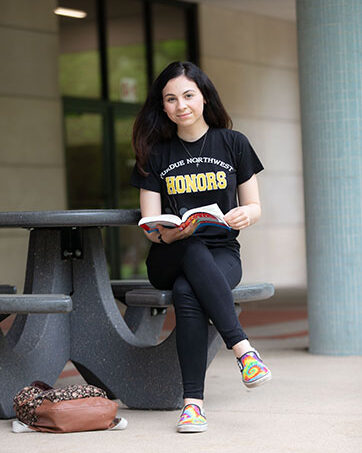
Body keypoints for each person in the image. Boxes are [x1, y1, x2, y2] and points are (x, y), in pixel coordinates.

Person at [131, 61, 271, 433]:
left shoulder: (233, 143)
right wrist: (168, 234)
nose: (181, 105)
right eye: (171, 99)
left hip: (223, 252)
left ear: (204, 97)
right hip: (169, 254)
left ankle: (192, 405)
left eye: (188, 95)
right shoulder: (155, 153)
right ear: (163, 107)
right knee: (190, 249)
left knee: (186, 291)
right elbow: (150, 225)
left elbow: (254, 205)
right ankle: (243, 350)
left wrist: (246, 215)